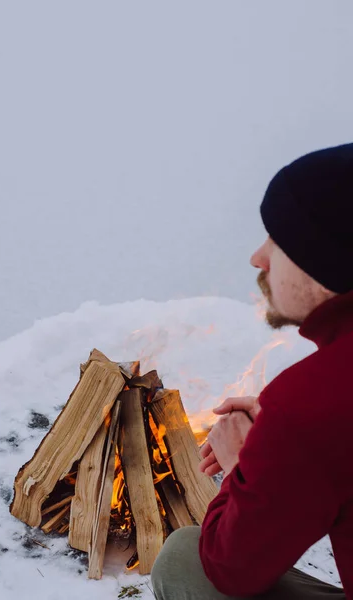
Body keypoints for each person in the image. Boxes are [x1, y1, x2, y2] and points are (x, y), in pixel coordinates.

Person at [151, 143, 353, 599]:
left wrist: (247, 460)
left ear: (326, 262)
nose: (258, 258)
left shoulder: (313, 401)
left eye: (277, 240)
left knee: (186, 561)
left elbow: (231, 568)